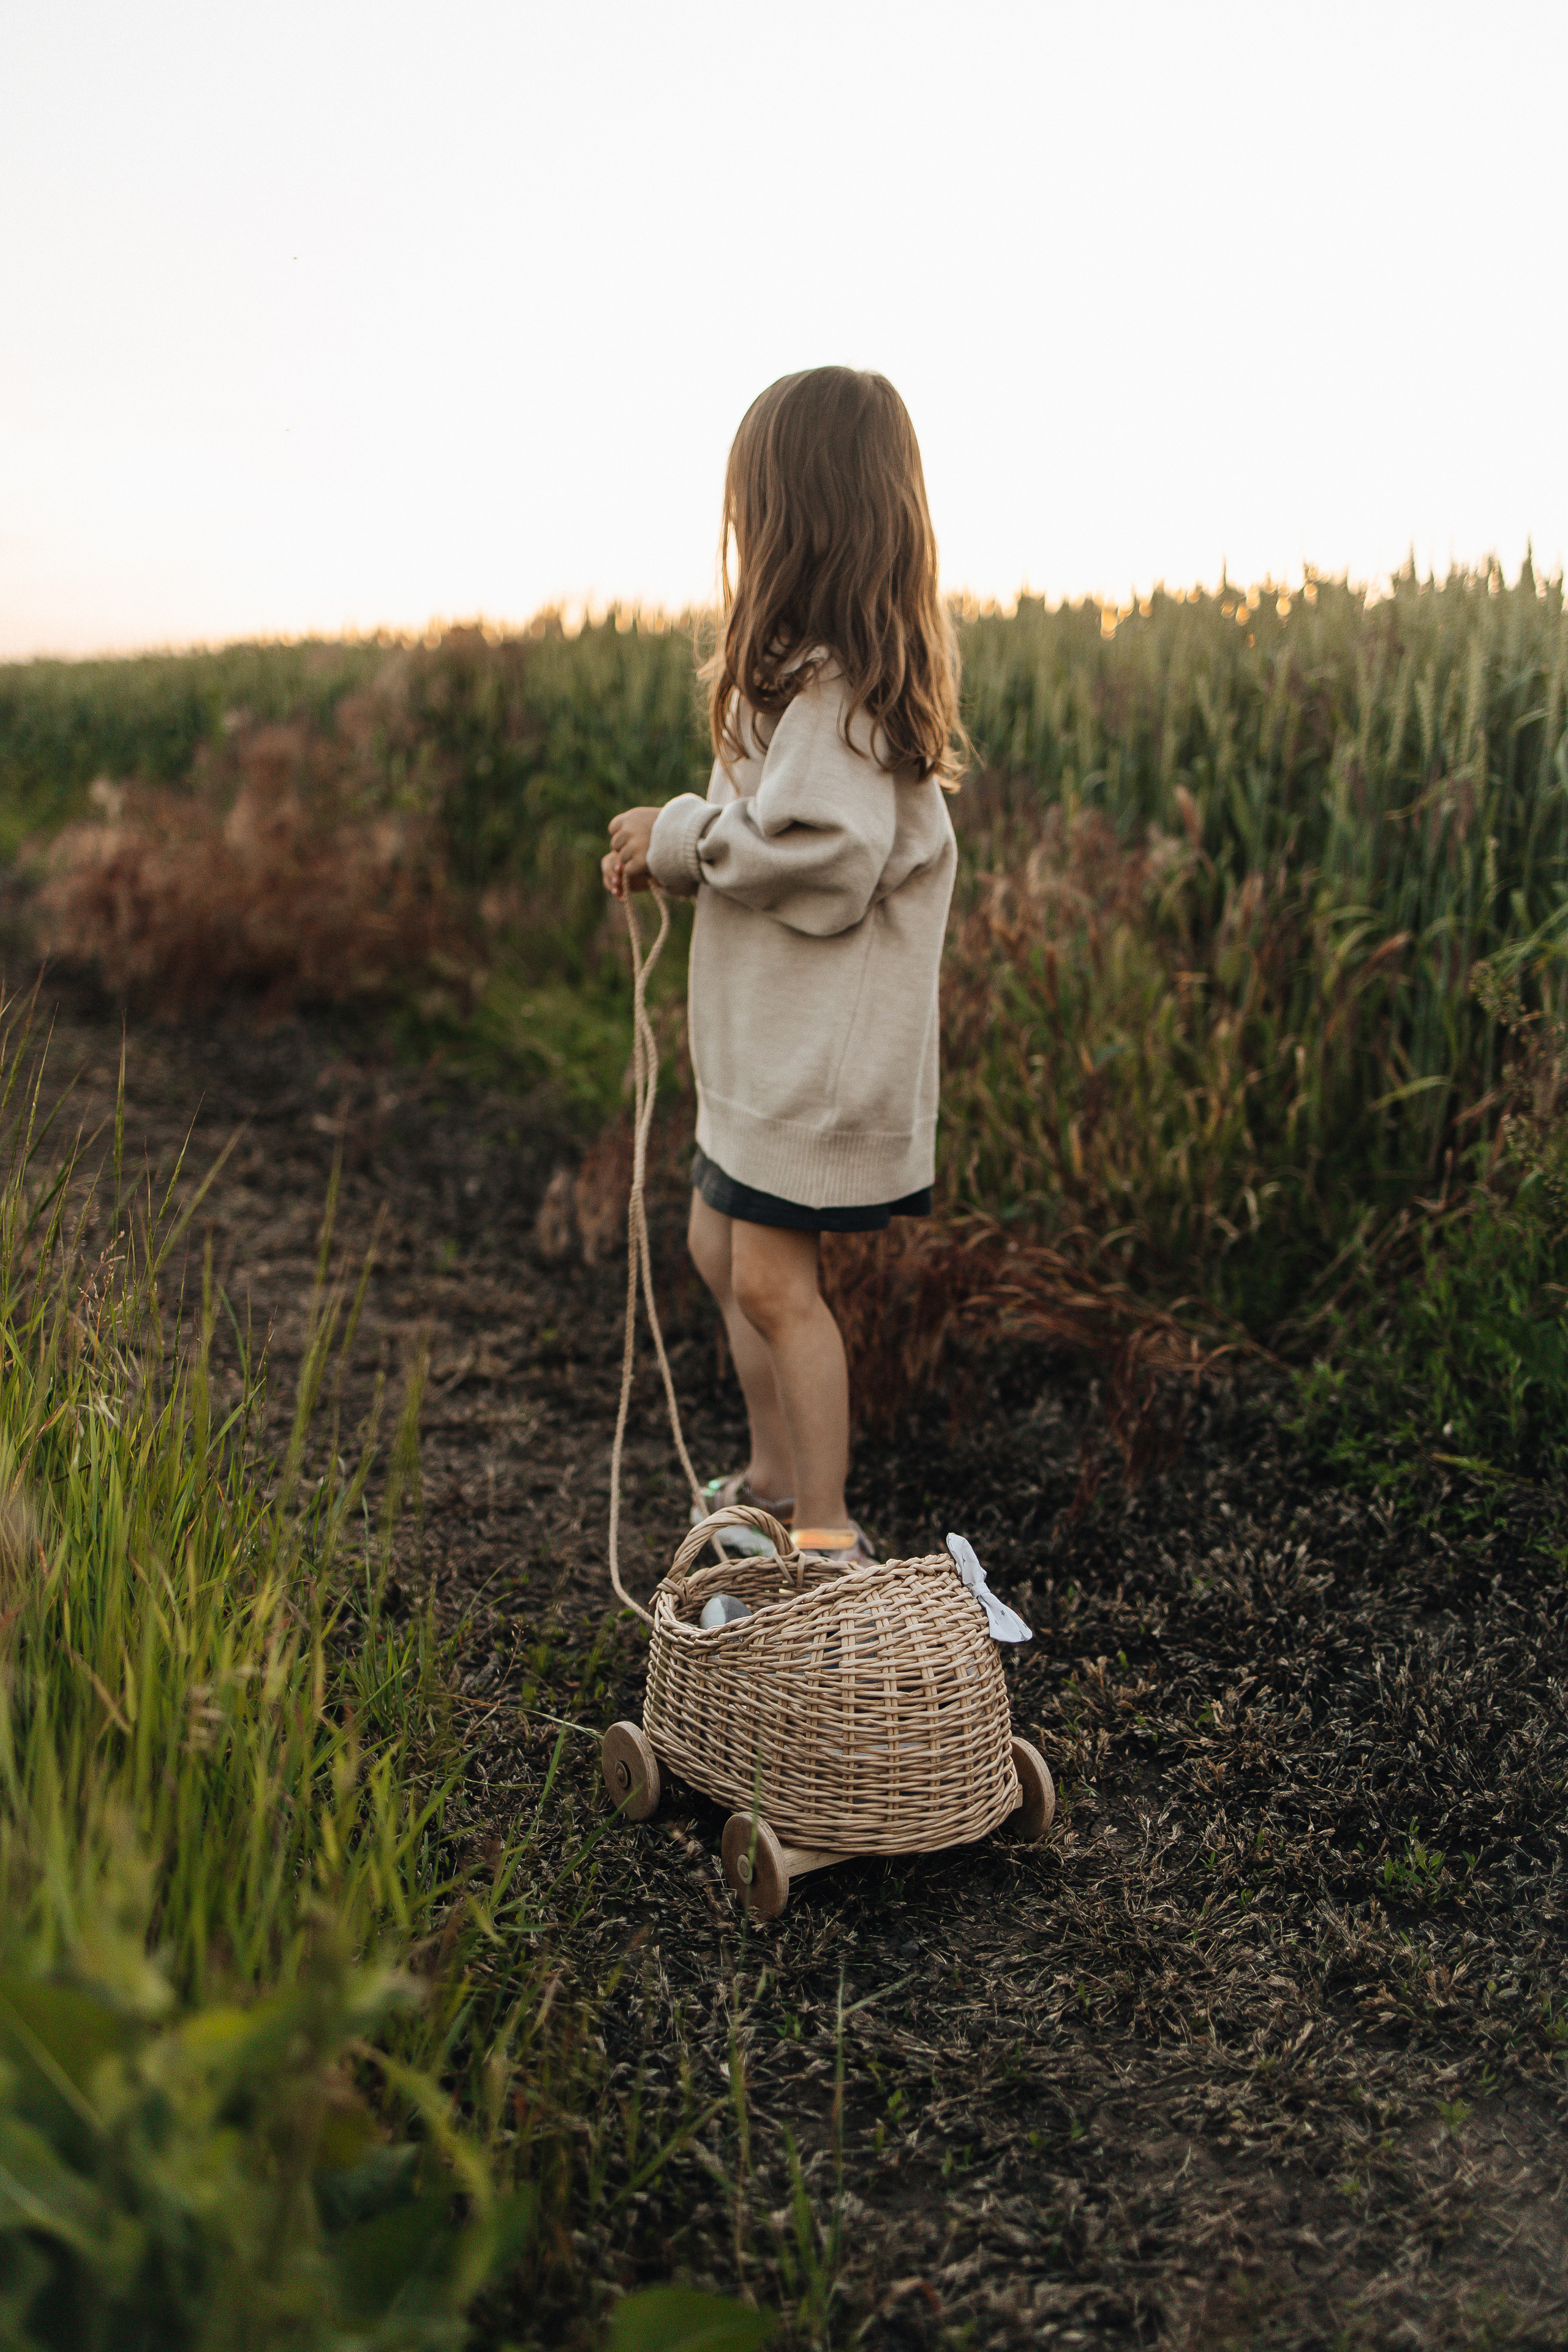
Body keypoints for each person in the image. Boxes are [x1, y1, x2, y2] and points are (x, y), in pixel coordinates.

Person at [601, 366, 963, 1564]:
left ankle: (821, 1540)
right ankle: (766, 1477)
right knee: (719, 1249)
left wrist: (682, 841)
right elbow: (763, 839)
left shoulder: (840, 694)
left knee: (770, 1283)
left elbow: (822, 857)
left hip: (814, 1073)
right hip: (765, 1060)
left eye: (751, 506)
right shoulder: (802, 685)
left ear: (793, 517)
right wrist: (674, 845)